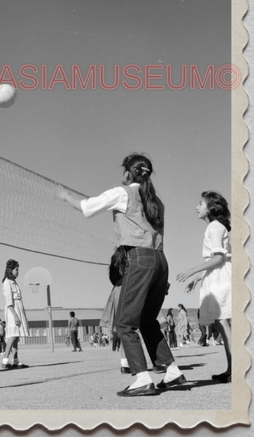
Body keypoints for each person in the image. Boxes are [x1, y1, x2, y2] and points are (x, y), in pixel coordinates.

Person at [58, 153, 184, 396]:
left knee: (125, 322)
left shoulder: (122, 192)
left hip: (139, 258)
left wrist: (65, 196)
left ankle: (142, 378)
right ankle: (172, 370)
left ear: (128, 173)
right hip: (160, 260)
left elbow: (86, 207)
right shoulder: (156, 200)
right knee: (147, 321)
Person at [177, 191, 232, 383]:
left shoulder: (215, 227)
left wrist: (192, 270)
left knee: (223, 323)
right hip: (214, 277)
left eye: (200, 203)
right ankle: (232, 369)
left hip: (221, 279)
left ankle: (237, 370)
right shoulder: (214, 227)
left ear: (211, 208)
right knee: (220, 323)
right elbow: (216, 259)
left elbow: (218, 258)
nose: (197, 207)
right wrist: (199, 277)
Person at [99, 247, 128, 371]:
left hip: (117, 292)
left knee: (124, 330)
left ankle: (124, 364)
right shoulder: (132, 259)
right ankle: (158, 361)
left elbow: (112, 278)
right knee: (133, 330)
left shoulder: (114, 261)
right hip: (129, 289)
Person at [1, 259, 30, 369]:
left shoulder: (14, 282)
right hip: (12, 310)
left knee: (16, 336)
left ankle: (15, 360)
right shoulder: (7, 282)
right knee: (12, 336)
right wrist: (15, 316)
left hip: (19, 307)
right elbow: (9, 301)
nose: (18, 272)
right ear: (10, 270)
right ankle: (5, 360)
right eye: (16, 269)